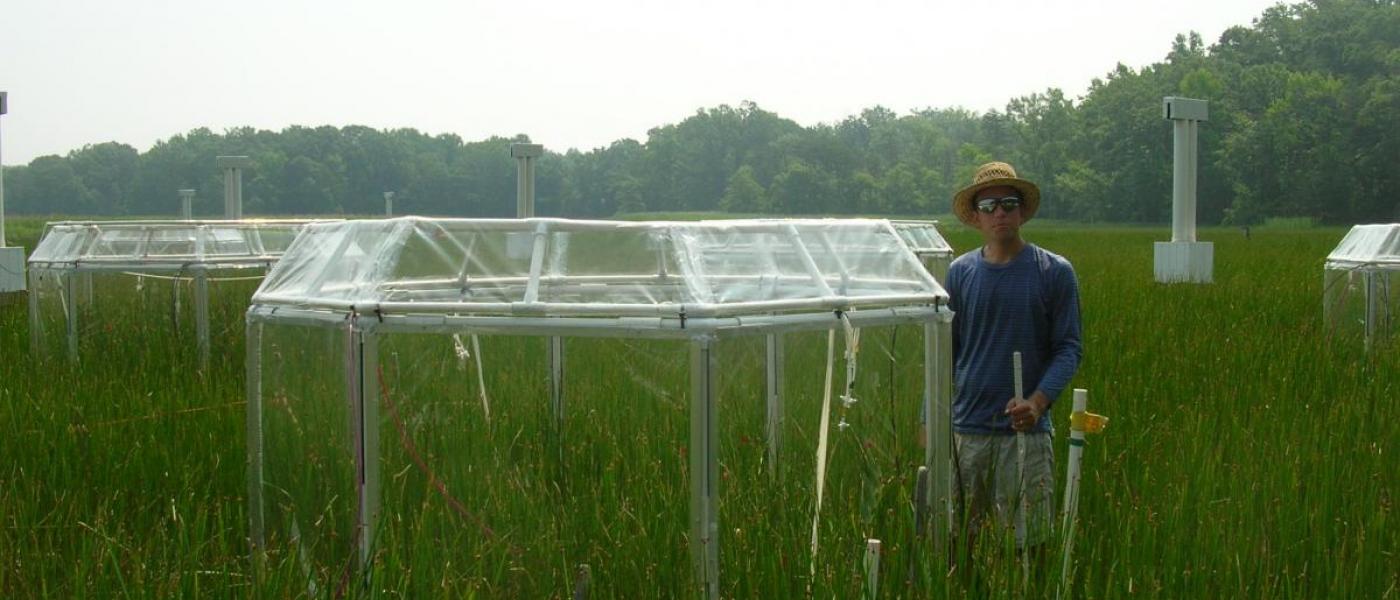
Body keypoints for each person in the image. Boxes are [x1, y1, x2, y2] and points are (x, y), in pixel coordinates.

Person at [944, 161, 1083, 563]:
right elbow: (946, 352)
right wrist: (928, 418)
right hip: (967, 432)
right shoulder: (960, 273)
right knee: (958, 542)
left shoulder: (1054, 272)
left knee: (1028, 547)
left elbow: (1069, 347)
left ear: (1022, 211)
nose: (999, 213)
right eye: (989, 206)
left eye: (1008, 203)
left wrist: (1037, 403)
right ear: (975, 217)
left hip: (1026, 435)